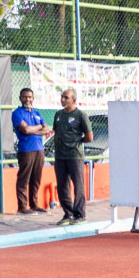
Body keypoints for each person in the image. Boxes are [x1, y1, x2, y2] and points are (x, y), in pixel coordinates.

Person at [51, 88, 93, 225]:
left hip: (75, 156)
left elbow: (89, 137)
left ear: (74, 100)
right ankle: (67, 214)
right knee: (62, 186)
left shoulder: (81, 115)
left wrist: (77, 142)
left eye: (66, 97)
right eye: (62, 97)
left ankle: (80, 215)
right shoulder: (58, 114)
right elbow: (56, 132)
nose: (63, 99)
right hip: (60, 156)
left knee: (78, 185)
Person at [11, 88, 52, 215]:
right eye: (24, 97)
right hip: (26, 150)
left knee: (36, 178)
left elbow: (47, 130)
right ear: (20, 98)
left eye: (29, 97)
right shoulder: (17, 113)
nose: (27, 99)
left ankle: (34, 205)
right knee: (24, 178)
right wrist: (40, 126)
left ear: (33, 99)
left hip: (39, 149)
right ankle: (22, 206)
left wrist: (34, 128)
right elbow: (25, 130)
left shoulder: (37, 113)